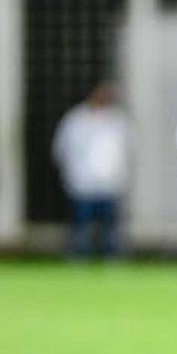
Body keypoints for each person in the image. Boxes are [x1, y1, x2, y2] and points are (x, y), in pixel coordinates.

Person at [52, 82, 129, 259]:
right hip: (83, 184)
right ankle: (80, 259)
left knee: (110, 228)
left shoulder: (118, 121)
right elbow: (62, 149)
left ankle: (112, 261)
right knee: (82, 226)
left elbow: (126, 150)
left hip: (110, 184)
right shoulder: (76, 120)